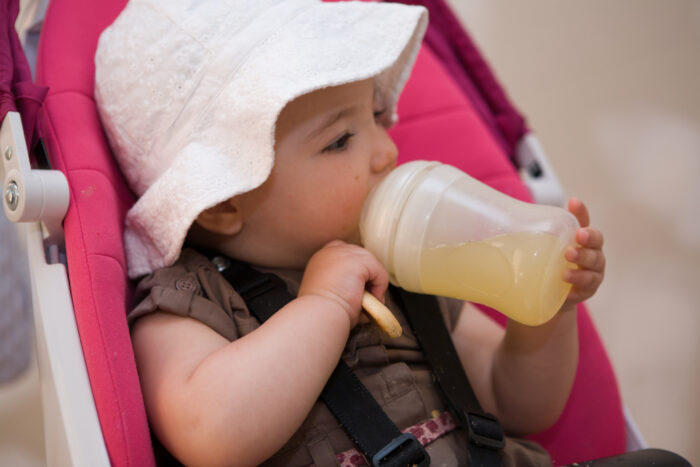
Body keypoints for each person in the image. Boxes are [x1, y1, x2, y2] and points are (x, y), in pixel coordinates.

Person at [95, 1, 605, 465]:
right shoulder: (190, 299)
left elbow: (515, 400)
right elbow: (211, 434)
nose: (387, 151)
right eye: (340, 140)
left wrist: (549, 308)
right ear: (224, 198)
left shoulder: (411, 257)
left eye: (378, 117)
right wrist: (325, 306)